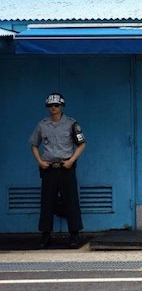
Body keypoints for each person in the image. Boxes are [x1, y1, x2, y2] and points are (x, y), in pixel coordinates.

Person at [29, 92, 86, 249]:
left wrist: (71, 160)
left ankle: (74, 235)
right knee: (47, 201)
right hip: (49, 168)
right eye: (50, 105)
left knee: (71, 201)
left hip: (66, 167)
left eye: (56, 105)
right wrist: (40, 161)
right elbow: (34, 144)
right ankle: (45, 235)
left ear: (61, 106)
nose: (53, 108)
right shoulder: (42, 125)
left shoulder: (71, 124)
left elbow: (82, 144)